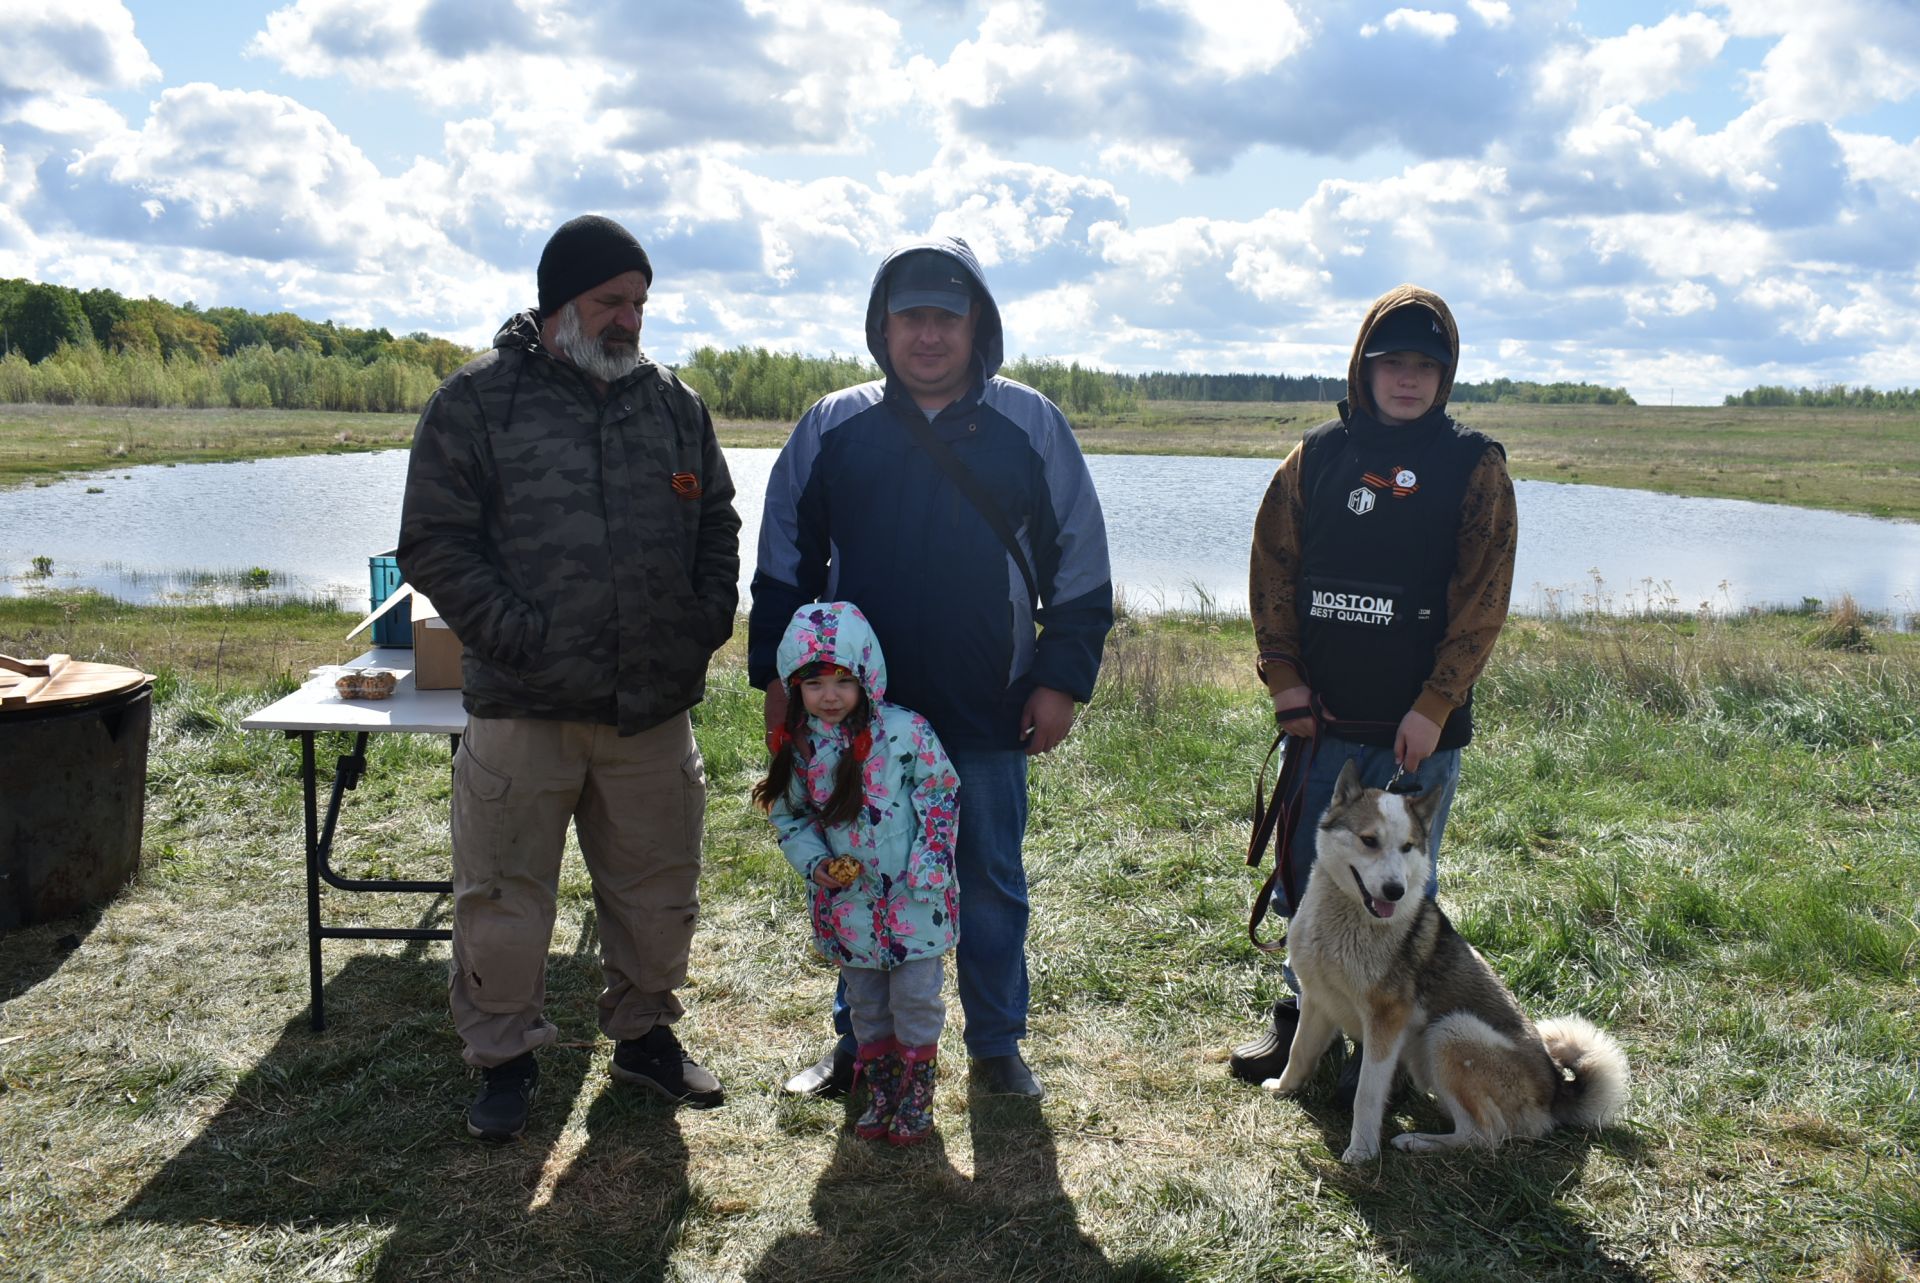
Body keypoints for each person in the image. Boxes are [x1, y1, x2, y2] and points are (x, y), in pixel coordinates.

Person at [398, 214, 741, 1142]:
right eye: (609, 301)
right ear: (560, 305)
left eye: (639, 302)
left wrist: (703, 620)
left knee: (659, 888)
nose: (629, 319)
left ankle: (644, 1037)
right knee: (504, 897)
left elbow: (718, 520)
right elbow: (432, 538)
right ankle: (504, 1058)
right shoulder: (478, 402)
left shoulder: (673, 404)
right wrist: (516, 633)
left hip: (649, 711)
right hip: (524, 705)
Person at [750, 235, 1114, 1101]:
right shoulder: (834, 426)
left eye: (945, 318)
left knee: (987, 877)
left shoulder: (1030, 423)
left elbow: (1082, 565)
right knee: (857, 873)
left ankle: (996, 1046)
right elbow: (782, 565)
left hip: (990, 701)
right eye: (910, 317)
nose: (927, 335)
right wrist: (778, 680)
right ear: (882, 326)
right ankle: (861, 1043)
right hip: (854, 716)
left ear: (977, 325)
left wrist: (1061, 678)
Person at [1228, 283, 1518, 1087]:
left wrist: (1435, 704)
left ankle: (1375, 1049)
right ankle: (1300, 1021)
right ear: (1365, 365)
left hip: (1413, 734)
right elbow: (1272, 569)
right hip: (1321, 721)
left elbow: (1482, 599)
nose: (1408, 378)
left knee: (1391, 891)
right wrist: (1283, 677)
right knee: (1309, 881)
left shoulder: (1474, 465)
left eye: (1427, 365)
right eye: (1394, 362)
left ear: (1445, 374)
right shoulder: (1317, 458)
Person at [755, 601, 960, 1145]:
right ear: (794, 686)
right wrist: (817, 864)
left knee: (915, 998)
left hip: (916, 896)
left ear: (867, 675)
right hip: (849, 905)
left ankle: (918, 1097)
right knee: (867, 1002)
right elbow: (790, 815)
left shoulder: (905, 731)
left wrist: (931, 859)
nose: (829, 696)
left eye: (844, 681)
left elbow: (940, 791)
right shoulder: (798, 749)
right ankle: (882, 1088)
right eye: (815, 683)